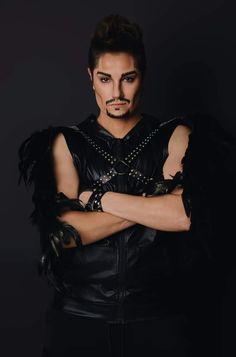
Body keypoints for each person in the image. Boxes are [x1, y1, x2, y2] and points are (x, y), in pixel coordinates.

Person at [18, 14, 235, 357]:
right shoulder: (67, 142)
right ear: (91, 78)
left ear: (142, 78)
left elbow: (183, 215)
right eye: (105, 79)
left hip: (160, 319)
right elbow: (64, 231)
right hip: (79, 318)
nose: (116, 93)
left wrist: (96, 198)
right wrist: (151, 203)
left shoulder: (174, 135)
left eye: (127, 79)